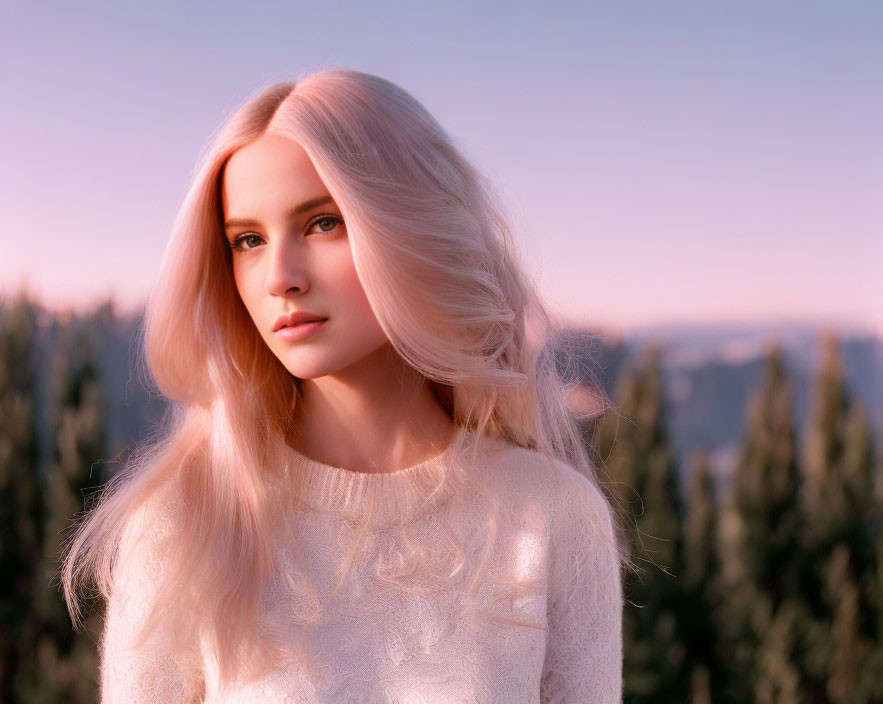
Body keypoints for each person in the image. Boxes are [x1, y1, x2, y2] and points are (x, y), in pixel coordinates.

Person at [61, 68, 631, 703]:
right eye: (247, 240)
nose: (279, 276)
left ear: (411, 226)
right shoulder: (186, 528)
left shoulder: (551, 518)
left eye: (321, 222)